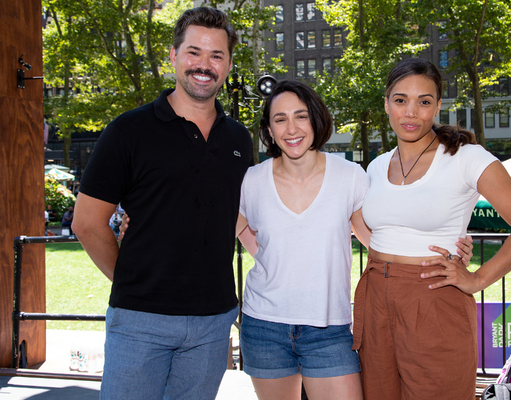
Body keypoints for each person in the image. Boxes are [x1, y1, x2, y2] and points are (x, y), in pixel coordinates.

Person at [233, 81, 474, 400]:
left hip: (329, 330)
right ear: (269, 129)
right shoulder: (253, 180)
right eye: (280, 119)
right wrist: (271, 257)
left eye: (301, 116)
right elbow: (234, 229)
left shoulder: (350, 177)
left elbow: (380, 241)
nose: (291, 128)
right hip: (263, 326)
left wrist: (446, 245)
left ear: (316, 120)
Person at [71, 7, 252, 400]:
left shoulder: (239, 140)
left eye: (216, 56)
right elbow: (86, 223)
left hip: (212, 321)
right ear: (173, 56)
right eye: (194, 52)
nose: (204, 65)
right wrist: (132, 278)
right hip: (140, 320)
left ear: (228, 64)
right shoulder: (128, 131)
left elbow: (237, 214)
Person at [352, 58, 511, 400]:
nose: (411, 112)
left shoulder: (466, 157)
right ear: (386, 104)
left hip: (433, 295)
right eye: (400, 100)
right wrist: (384, 258)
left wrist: (477, 279)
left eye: (424, 101)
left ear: (438, 105)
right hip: (375, 297)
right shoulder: (377, 165)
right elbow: (372, 227)